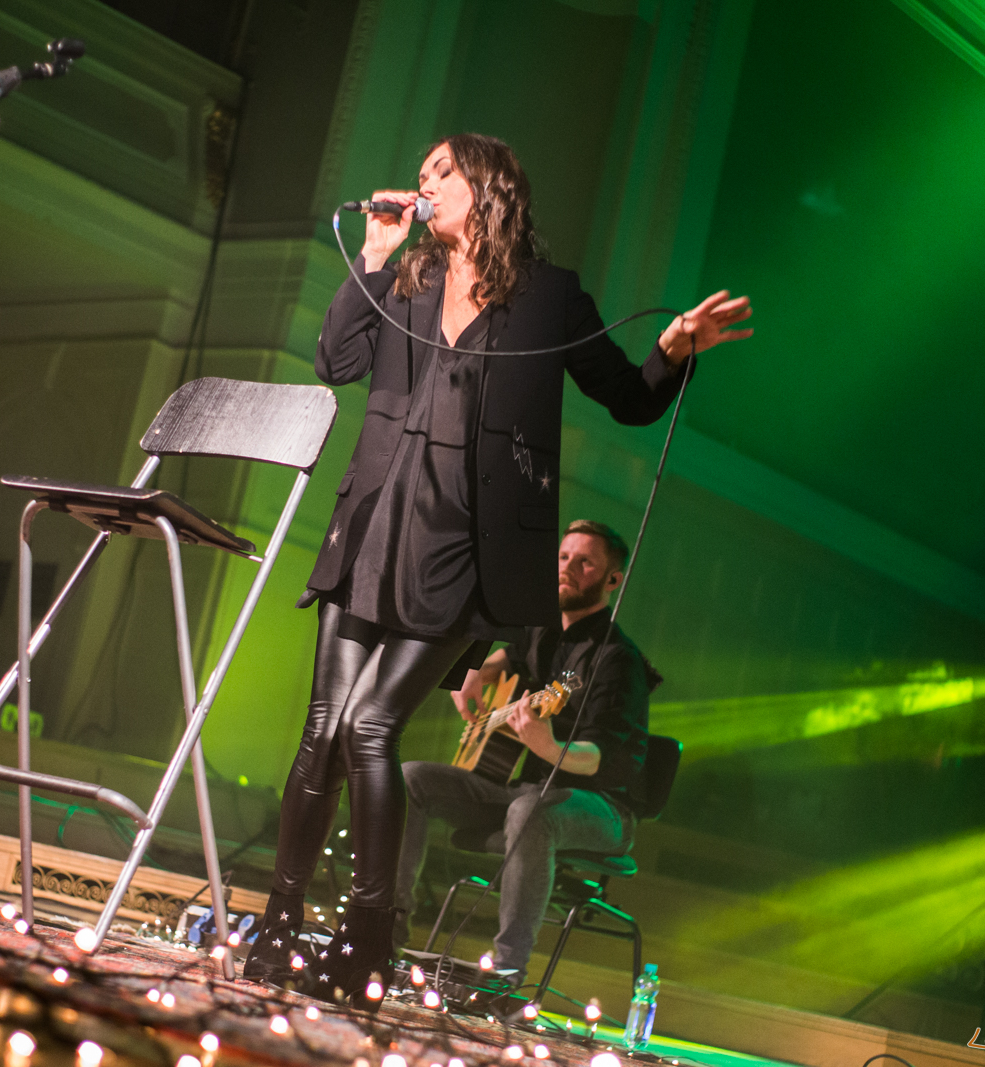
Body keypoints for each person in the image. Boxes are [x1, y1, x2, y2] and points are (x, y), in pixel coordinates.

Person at [240, 133, 751, 1005]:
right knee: (323, 727)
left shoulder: (548, 299)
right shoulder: (407, 275)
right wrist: (371, 257)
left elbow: (629, 397)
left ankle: (368, 938)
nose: (422, 183)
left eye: (442, 172)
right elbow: (337, 363)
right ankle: (281, 920)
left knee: (370, 727)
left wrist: (674, 346)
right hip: (373, 525)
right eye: (424, 172)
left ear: (488, 188)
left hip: (459, 547)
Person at [393, 520, 655, 980]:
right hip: (519, 788)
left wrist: (548, 747)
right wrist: (477, 672)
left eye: (584, 561)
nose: (567, 568)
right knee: (411, 777)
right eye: (563, 557)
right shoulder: (542, 627)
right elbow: (506, 660)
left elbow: (602, 757)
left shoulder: (619, 660)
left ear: (613, 580)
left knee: (531, 813)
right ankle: (386, 925)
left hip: (604, 808)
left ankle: (507, 970)